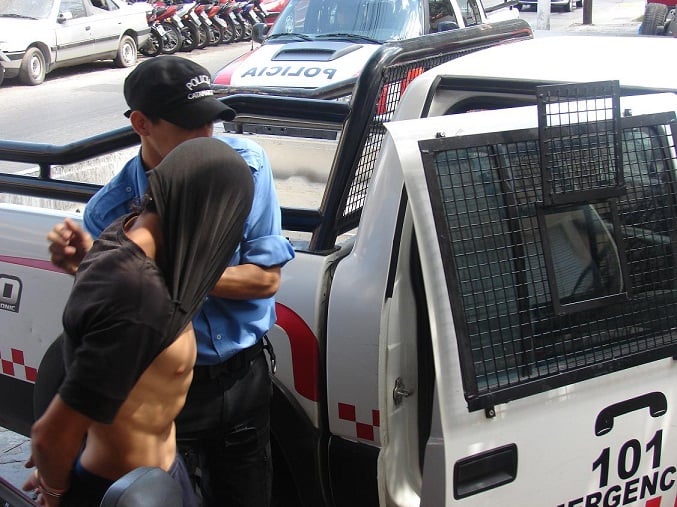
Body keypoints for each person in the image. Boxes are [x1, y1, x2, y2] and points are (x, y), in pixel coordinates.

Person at [45, 56, 295, 506]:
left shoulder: (240, 167)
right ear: (141, 123)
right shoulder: (110, 210)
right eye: (190, 124)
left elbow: (263, 281)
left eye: (211, 121)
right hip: (169, 398)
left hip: (244, 375)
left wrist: (149, 270)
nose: (206, 136)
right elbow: (112, 324)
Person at [23, 137, 255, 507]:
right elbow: (50, 436)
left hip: (161, 473)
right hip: (121, 491)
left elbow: (103, 320)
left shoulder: (127, 233)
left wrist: (82, 265)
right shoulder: (139, 296)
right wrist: (54, 492)